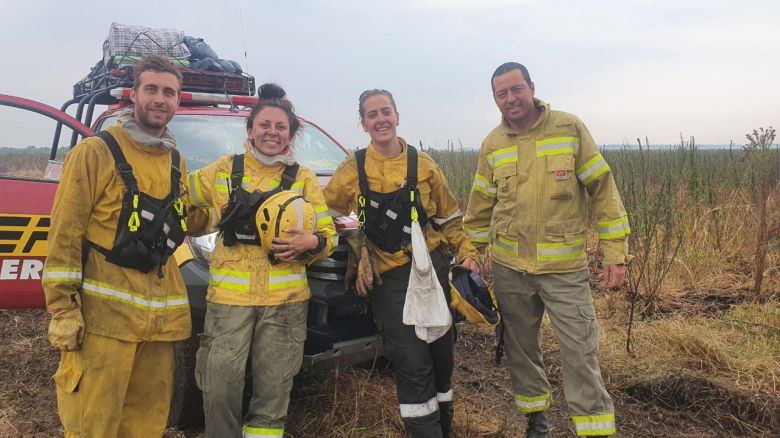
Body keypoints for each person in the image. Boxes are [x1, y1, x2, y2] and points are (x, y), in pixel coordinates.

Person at [42, 54, 211, 437]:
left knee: (146, 423)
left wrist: (228, 209)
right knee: (93, 423)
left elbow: (183, 218)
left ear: (177, 100)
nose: (160, 99)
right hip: (105, 322)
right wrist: (63, 309)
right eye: (151, 88)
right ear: (133, 94)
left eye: (169, 92)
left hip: (160, 326)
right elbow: (65, 233)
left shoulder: (175, 160)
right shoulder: (94, 153)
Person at [463, 62, 631, 438]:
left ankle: (595, 430)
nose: (511, 98)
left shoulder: (569, 128)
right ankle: (536, 423)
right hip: (510, 271)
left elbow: (603, 190)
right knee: (521, 354)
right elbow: (479, 208)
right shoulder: (493, 144)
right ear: (495, 99)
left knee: (581, 355)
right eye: (502, 94)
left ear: (532, 88)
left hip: (565, 271)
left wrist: (615, 252)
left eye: (516, 89)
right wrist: (471, 253)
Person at [324, 89, 480, 438]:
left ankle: (445, 429)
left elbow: (449, 217)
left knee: (442, 358)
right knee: (412, 362)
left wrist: (468, 252)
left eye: (386, 112)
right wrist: (356, 243)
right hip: (390, 278)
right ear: (363, 124)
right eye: (372, 114)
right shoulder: (354, 167)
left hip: (434, 269)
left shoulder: (423, 164)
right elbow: (326, 212)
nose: (380, 120)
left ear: (397, 116)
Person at [188, 83, 337, 438]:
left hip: (284, 304)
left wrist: (311, 240)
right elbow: (181, 198)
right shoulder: (224, 169)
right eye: (265, 125)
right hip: (229, 302)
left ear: (290, 134)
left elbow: (328, 236)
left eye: (280, 127)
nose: (272, 133)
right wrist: (204, 220)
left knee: (273, 393)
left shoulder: (301, 178)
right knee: (220, 385)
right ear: (251, 129)